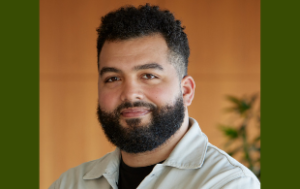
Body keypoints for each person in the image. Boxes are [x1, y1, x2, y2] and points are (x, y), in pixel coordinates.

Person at [49, 4, 260, 189]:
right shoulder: (70, 183)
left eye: (149, 75)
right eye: (113, 78)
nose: (129, 93)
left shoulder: (229, 183)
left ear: (186, 91)